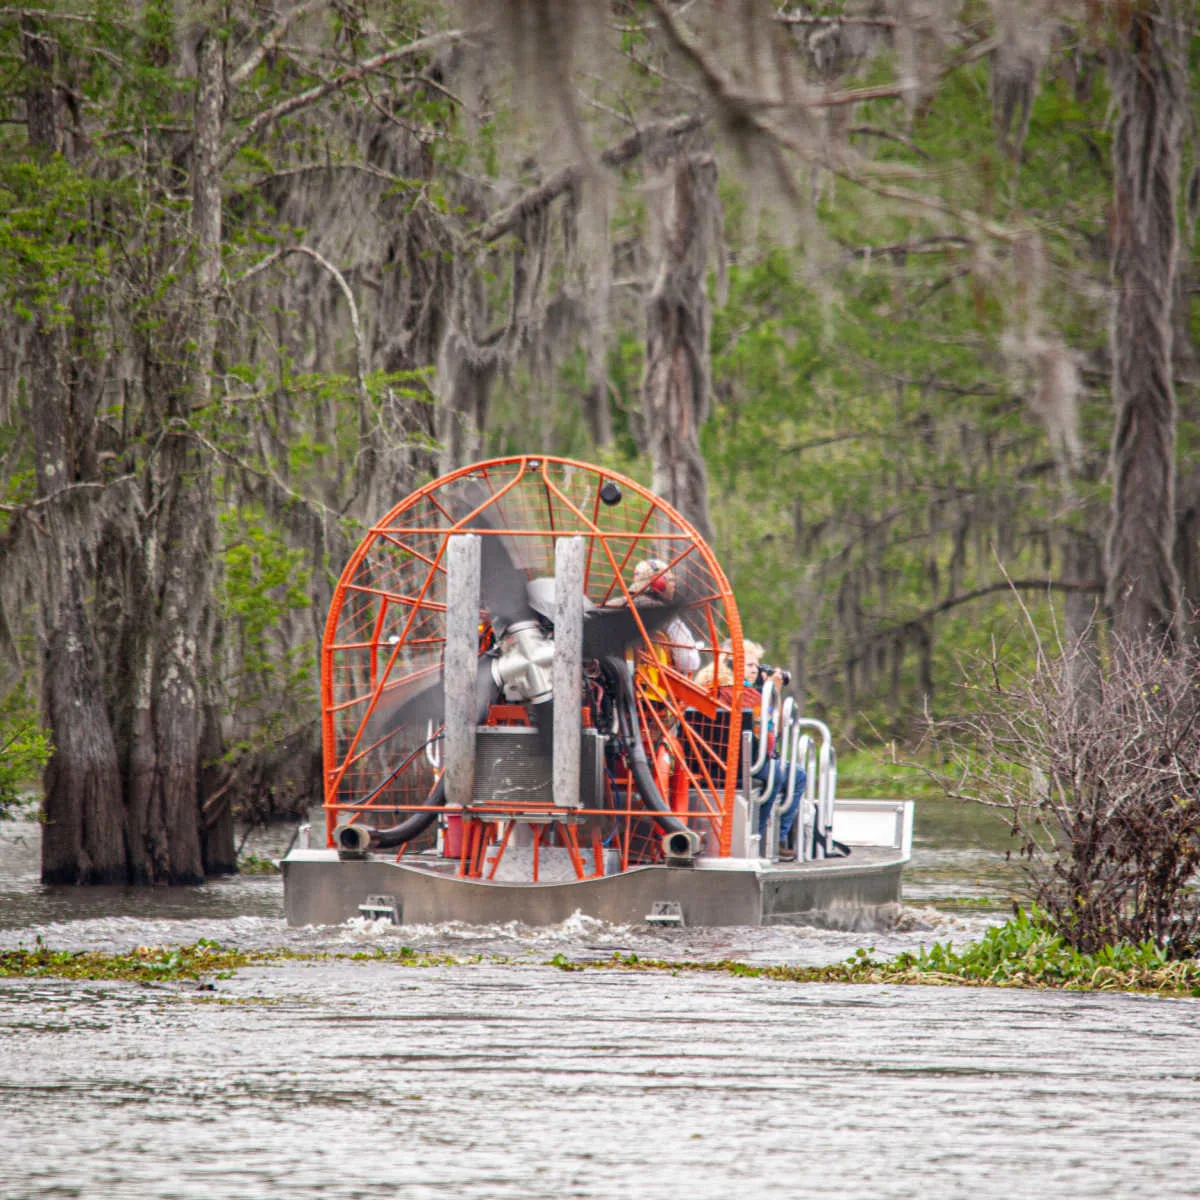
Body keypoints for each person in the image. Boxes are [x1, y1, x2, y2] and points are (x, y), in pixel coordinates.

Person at [697, 637, 803, 857]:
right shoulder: (749, 696)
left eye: (756, 665)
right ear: (730, 664)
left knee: (777, 772)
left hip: (700, 766)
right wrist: (772, 693)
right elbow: (771, 739)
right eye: (749, 665)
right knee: (793, 774)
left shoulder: (701, 686)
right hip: (739, 766)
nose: (755, 670)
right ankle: (767, 838)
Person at [630, 558, 700, 676]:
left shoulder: (616, 607)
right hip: (654, 690)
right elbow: (688, 662)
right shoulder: (667, 618)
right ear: (659, 583)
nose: (674, 585)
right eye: (671, 580)